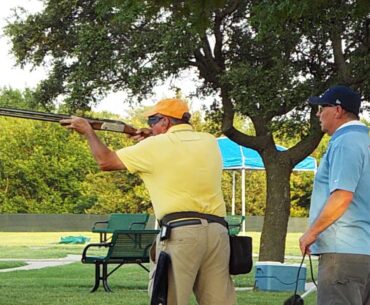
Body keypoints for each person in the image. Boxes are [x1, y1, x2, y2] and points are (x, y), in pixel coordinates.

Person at [61, 98, 236, 305]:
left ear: (165, 122)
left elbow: (105, 161)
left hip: (180, 234)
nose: (151, 125)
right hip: (218, 234)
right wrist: (150, 136)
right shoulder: (208, 141)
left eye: (153, 121)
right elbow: (176, 151)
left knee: (168, 300)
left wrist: (88, 131)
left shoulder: (155, 145)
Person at [299, 85, 370, 305]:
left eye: (322, 108)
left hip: (343, 254)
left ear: (337, 110)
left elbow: (342, 196)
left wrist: (312, 232)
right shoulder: (365, 142)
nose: (318, 114)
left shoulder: (345, 142)